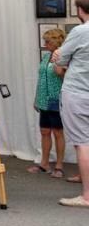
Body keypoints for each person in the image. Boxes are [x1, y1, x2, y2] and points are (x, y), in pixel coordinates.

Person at [52, 0, 89, 205]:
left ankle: (86, 195)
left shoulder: (80, 31)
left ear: (80, 10)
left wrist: (59, 53)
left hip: (78, 92)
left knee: (83, 143)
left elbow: (61, 60)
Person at [29, 28, 67, 179]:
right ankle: (44, 164)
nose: (45, 44)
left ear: (56, 42)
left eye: (47, 41)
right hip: (43, 100)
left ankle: (59, 166)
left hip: (56, 99)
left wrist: (58, 63)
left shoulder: (63, 56)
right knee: (44, 132)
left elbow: (64, 76)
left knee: (58, 133)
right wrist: (36, 98)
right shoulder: (45, 57)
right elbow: (40, 78)